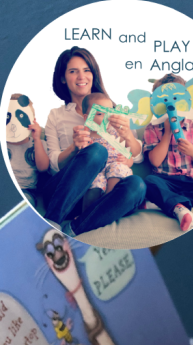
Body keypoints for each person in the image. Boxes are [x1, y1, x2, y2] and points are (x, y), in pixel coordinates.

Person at [42, 47, 146, 235]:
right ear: (63, 78)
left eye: (86, 70)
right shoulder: (56, 115)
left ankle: (75, 228)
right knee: (96, 151)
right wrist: (74, 149)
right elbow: (52, 167)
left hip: (104, 198)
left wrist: (128, 136)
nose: (81, 76)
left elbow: (137, 158)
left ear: (93, 74)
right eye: (73, 71)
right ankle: (52, 223)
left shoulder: (113, 111)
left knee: (137, 185)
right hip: (65, 194)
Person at [143, 73, 193, 232]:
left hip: (191, 182)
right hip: (164, 180)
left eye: (176, 98)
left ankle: (164, 203)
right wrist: (167, 133)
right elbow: (155, 161)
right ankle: (176, 206)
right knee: (149, 182)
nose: (171, 104)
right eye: (164, 100)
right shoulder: (152, 128)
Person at [79, 93, 134, 219]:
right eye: (100, 114)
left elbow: (130, 157)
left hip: (117, 170)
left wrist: (126, 161)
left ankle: (107, 203)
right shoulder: (85, 137)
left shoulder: (117, 134)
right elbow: (81, 161)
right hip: (97, 172)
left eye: (109, 112)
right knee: (94, 181)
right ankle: (87, 215)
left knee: (117, 167)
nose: (107, 117)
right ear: (87, 118)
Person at [6, 94, 49, 207]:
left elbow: (43, 167)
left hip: (25, 191)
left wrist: (37, 139)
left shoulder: (38, 144)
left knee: (23, 204)